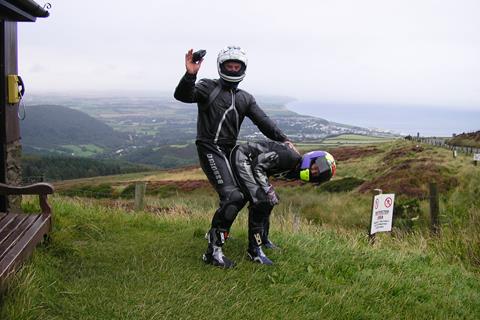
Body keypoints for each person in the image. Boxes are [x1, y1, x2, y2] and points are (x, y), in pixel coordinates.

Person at [173, 46, 296, 268]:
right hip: (209, 148)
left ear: (243, 68)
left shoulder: (245, 98)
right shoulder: (208, 87)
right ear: (221, 67)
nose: (232, 68)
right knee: (234, 197)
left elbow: (263, 121)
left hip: (231, 151)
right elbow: (183, 95)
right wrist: (191, 74)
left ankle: (258, 243)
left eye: (236, 66)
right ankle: (213, 252)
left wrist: (284, 140)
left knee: (258, 194)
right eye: (228, 65)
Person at [230, 141, 336, 265]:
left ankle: (264, 240)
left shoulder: (296, 170)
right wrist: (268, 190)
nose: (313, 171)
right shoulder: (291, 159)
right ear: (312, 159)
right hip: (242, 156)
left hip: (249, 163)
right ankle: (254, 250)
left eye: (317, 174)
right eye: (315, 167)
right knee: (261, 202)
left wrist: (268, 191)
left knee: (267, 202)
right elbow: (258, 164)